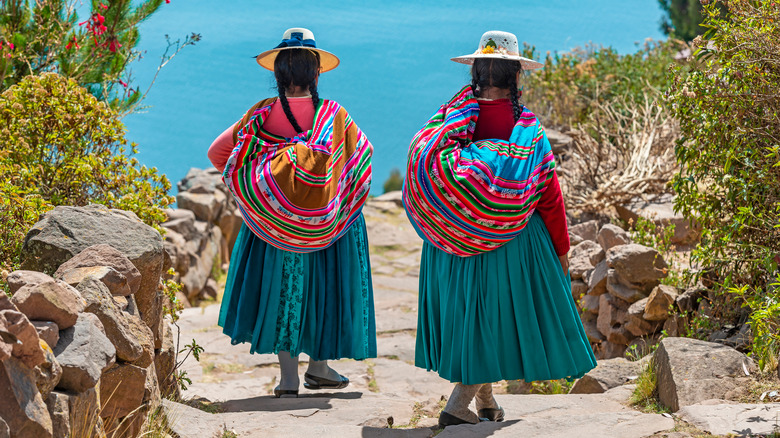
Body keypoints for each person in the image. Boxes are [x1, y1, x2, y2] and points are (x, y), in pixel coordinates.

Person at [403, 30, 597, 427]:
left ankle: (486, 400)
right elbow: (549, 195)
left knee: (473, 318)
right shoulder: (527, 131)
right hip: (511, 242)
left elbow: (424, 162)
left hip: (453, 243)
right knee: (493, 318)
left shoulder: (449, 118)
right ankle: (458, 405)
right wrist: (561, 250)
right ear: (516, 76)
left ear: (475, 72)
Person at [208, 28, 376, 398]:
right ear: (316, 75)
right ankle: (319, 367)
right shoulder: (335, 117)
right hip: (329, 229)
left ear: (278, 74)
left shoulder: (261, 116)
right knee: (325, 288)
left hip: (274, 229)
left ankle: (288, 379)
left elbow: (218, 154)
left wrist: (260, 191)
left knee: (285, 291)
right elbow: (362, 160)